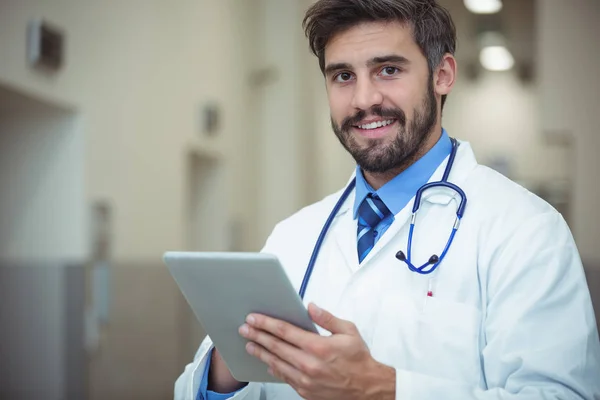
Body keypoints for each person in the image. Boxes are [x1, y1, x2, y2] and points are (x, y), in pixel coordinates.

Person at [175, 0, 600, 398]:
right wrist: (229, 368)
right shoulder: (295, 236)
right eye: (343, 76)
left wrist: (384, 388)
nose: (363, 100)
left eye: (388, 70)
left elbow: (559, 393)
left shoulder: (525, 230)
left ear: (443, 74)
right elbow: (193, 389)